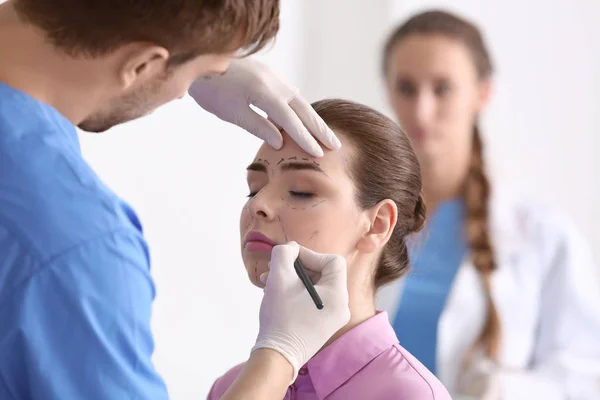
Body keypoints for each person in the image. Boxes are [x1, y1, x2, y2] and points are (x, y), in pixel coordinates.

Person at [0, 1, 352, 399]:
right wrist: (279, 356)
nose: (259, 206)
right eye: (198, 74)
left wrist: (189, 69)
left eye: (302, 192)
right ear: (141, 64)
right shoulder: (77, 246)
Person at [378, 9, 600, 399]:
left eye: (443, 88)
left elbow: (587, 375)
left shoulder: (539, 232)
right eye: (406, 88)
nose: (422, 110)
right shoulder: (363, 220)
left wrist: (509, 392)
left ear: (482, 93)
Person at [206, 99, 452, 400]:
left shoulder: (409, 395)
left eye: (301, 191)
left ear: (377, 225)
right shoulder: (229, 388)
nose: (257, 204)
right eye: (254, 188)